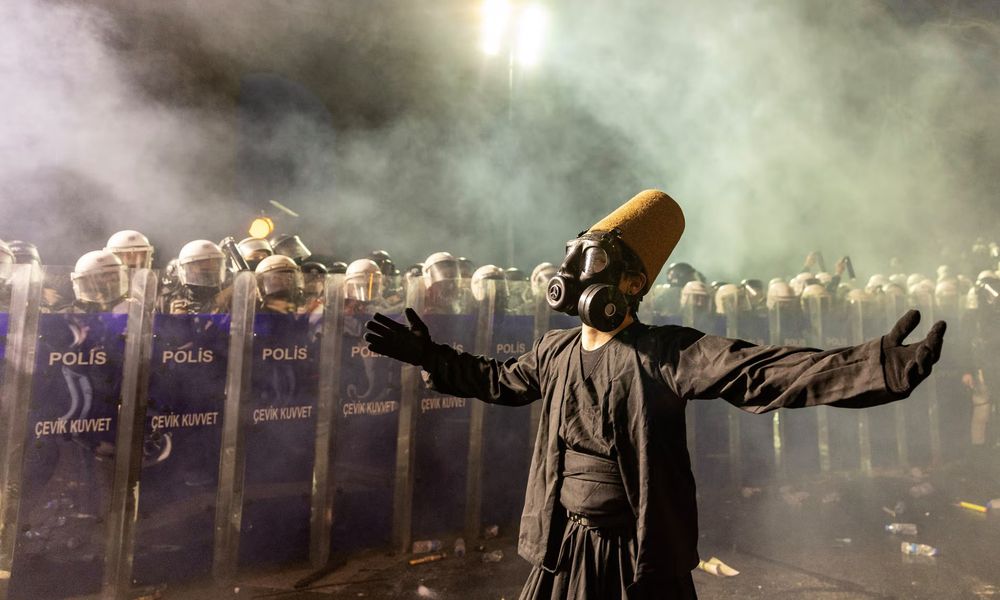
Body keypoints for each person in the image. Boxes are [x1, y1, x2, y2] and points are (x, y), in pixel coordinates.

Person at [364, 190, 947, 599]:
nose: (573, 270)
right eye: (575, 254)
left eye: (591, 260)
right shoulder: (554, 352)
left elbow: (766, 371)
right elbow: (495, 380)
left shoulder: (667, 353)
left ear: (631, 284)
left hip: (634, 557)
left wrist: (874, 368)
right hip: (564, 549)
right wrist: (431, 357)